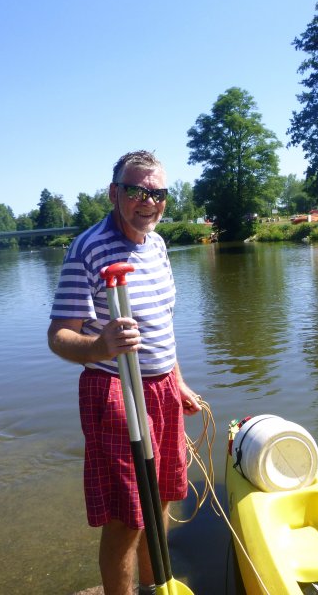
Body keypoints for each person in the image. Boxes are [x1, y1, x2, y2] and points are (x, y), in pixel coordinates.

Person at [47, 150, 202, 595]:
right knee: (128, 515)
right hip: (115, 388)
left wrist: (179, 380)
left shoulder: (157, 244)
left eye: (157, 193)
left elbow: (161, 324)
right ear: (114, 193)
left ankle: (158, 586)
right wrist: (100, 344)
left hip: (163, 386)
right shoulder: (87, 249)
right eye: (136, 191)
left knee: (167, 495)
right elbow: (59, 335)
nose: (147, 201)